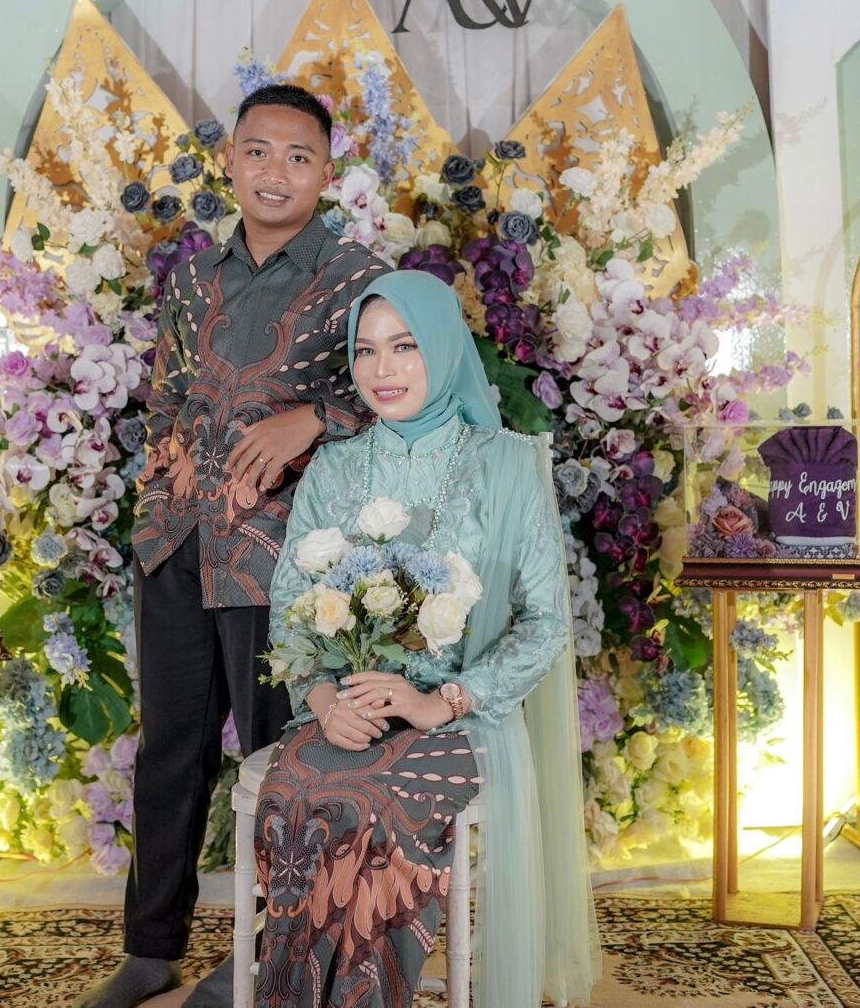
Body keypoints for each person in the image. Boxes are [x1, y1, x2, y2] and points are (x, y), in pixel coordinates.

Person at [75, 84, 391, 1008]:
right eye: (259, 151)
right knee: (171, 748)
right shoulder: (192, 278)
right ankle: (151, 948)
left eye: (298, 156)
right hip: (178, 541)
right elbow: (167, 388)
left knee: (279, 757)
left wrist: (311, 418)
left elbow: (399, 392)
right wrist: (165, 455)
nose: (275, 172)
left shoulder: (358, 278)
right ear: (230, 160)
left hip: (282, 554)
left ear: (327, 172)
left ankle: (269, 953)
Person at [252, 271, 601, 1008]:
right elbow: (288, 606)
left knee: (367, 805)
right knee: (294, 799)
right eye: (366, 350)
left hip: (457, 719)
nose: (382, 369)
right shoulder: (333, 467)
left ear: (441, 349)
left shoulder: (506, 463)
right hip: (347, 711)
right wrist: (322, 700)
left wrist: (441, 700)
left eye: (404, 346)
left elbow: (544, 622)